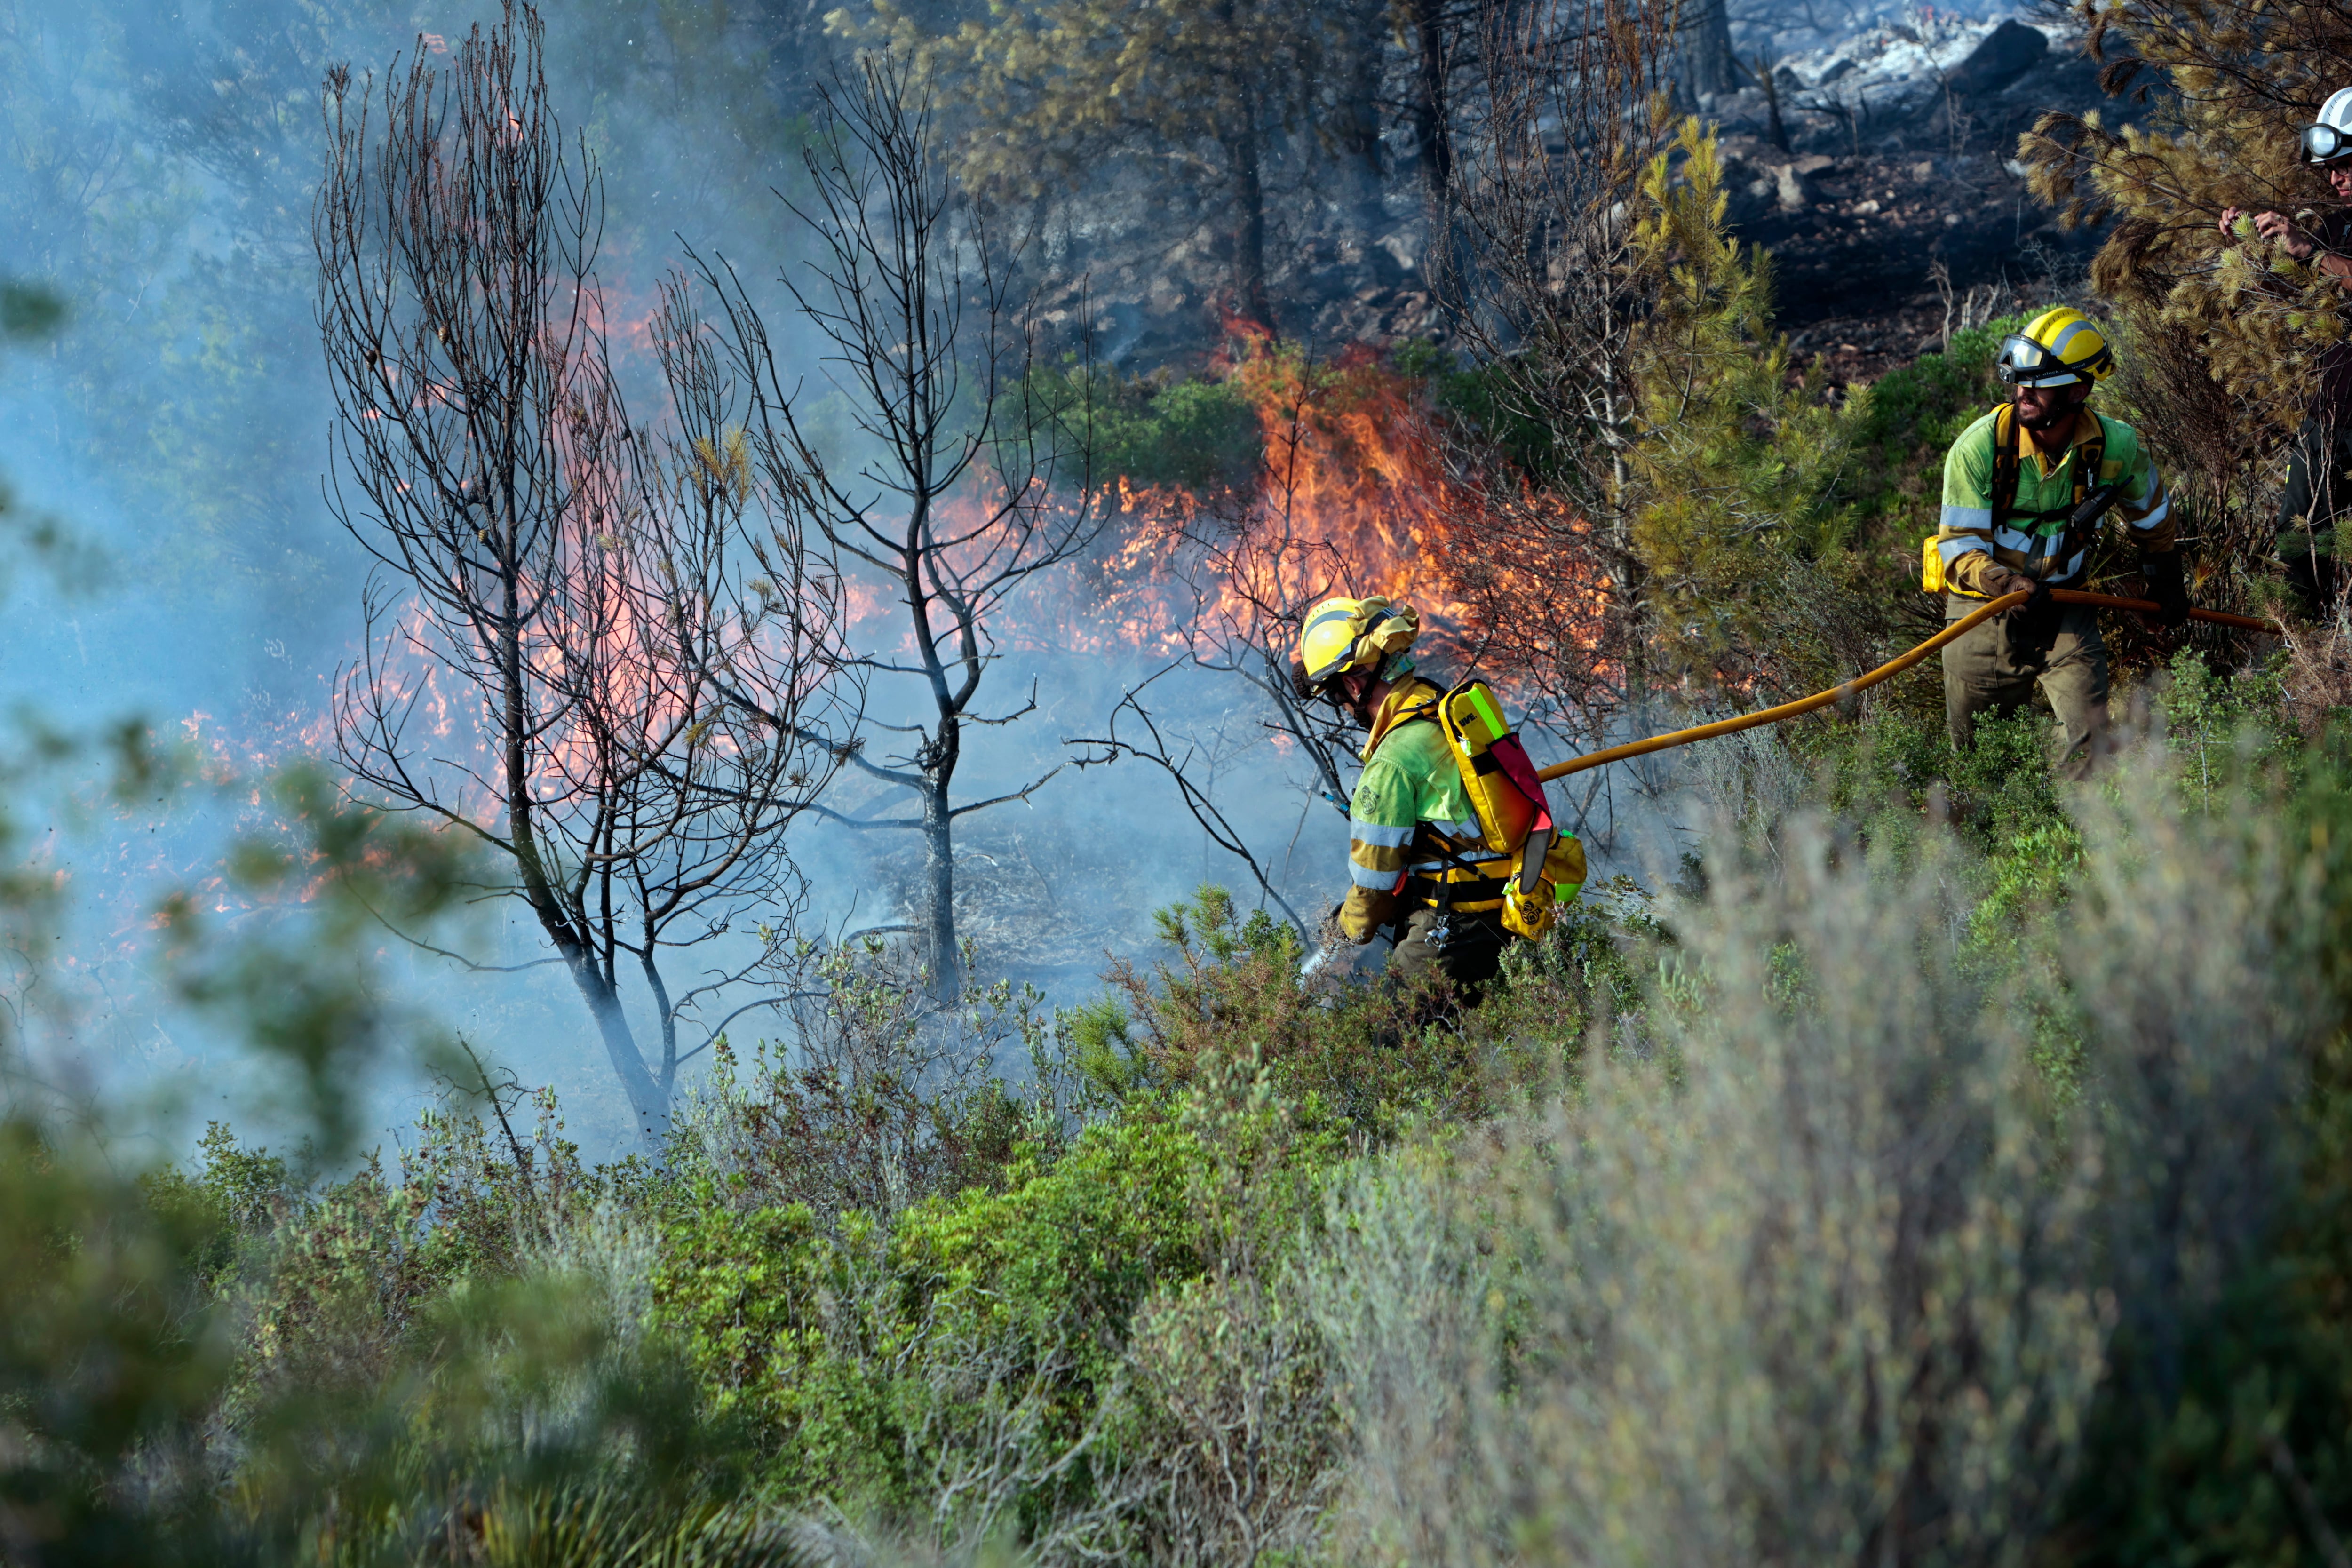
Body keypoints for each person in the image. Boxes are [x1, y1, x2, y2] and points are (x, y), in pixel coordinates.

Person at [1934, 306, 2185, 780]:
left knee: (2087, 743)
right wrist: (2003, 581)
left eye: (2038, 384)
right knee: (1976, 760)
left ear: (2078, 391)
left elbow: (2152, 517)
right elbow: (1958, 547)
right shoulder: (1978, 449)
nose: (2022, 393)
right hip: (1982, 611)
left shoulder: (2116, 447)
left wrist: (2164, 579)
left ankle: (2070, 839)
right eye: (2019, 382)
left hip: (2066, 608)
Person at [1288, 595, 1582, 998]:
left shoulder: (1392, 761)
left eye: (1335, 695)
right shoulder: (1440, 708)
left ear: (1353, 684)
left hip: (1457, 927)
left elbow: (1374, 885)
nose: (1342, 705)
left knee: (1396, 1041)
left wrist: (1342, 933)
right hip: (1515, 909)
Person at [2219, 87, 2352, 572]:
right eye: (2329, 169)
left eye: (2346, 165)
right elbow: (2300, 302)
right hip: (2333, 413)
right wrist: (2253, 251)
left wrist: (2309, 252)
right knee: (2298, 533)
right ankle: (2300, 635)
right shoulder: (2339, 226)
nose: (2335, 179)